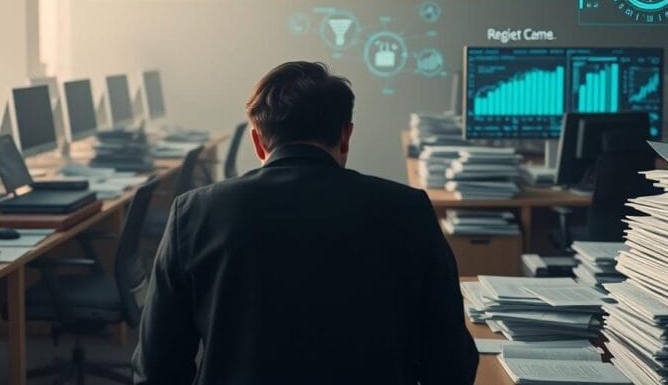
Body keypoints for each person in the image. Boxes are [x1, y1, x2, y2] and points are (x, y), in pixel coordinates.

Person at [132, 61, 477, 384]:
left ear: (257, 142)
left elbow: (157, 367)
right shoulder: (408, 210)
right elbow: (450, 364)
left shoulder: (193, 213)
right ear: (345, 136)